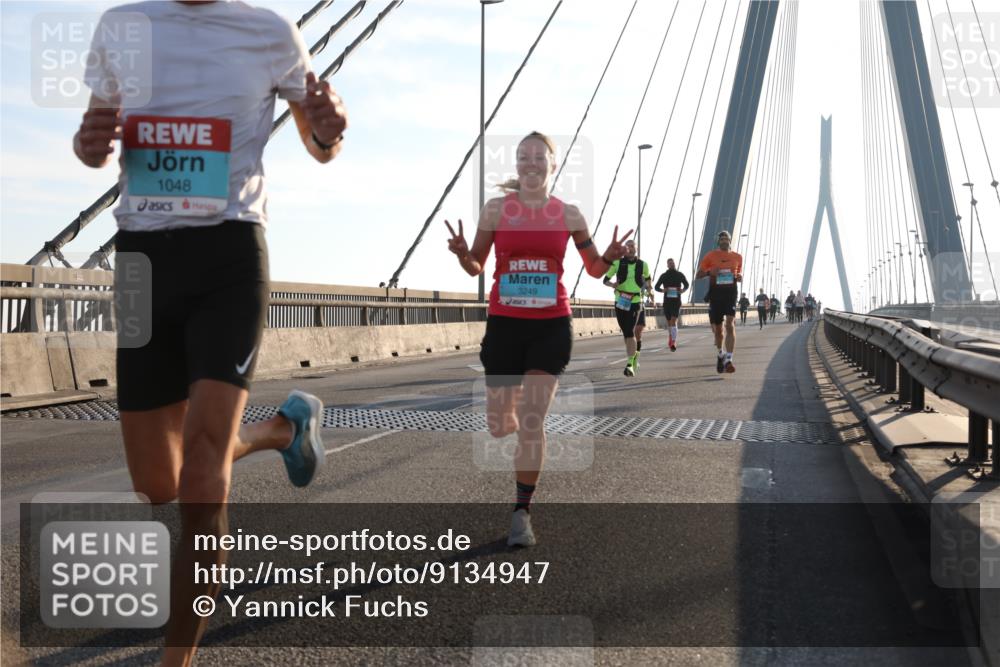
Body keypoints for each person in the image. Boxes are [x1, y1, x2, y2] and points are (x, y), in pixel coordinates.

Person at [74, 2, 348, 664]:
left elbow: (320, 142)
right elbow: (91, 145)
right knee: (158, 483)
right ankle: (279, 430)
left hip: (229, 255)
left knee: (202, 476)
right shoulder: (120, 26)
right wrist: (90, 143)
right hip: (140, 262)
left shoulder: (269, 31)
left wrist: (328, 129)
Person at [445, 131, 630, 547]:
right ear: (516, 164)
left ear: (553, 165)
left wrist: (613, 256)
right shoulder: (496, 210)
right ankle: (512, 436)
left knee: (532, 419)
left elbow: (596, 269)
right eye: (523, 157)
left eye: (539, 157)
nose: (531, 163)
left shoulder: (569, 214)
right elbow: (476, 266)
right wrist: (461, 252)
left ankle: (521, 514)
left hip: (551, 325)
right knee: (498, 426)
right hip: (505, 326)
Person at [696, 230, 743, 373]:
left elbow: (738, 273)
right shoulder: (710, 256)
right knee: (718, 331)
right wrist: (710, 273)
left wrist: (739, 277)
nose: (724, 240)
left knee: (730, 323)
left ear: (730, 241)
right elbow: (698, 275)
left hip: (730, 294)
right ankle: (720, 353)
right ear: (718, 241)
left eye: (726, 238)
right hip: (715, 295)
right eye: (721, 238)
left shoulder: (737, 257)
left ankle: (729, 358)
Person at [604, 240, 652, 376]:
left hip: (635, 300)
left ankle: (630, 364)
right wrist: (612, 285)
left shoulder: (643, 265)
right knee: (626, 332)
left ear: (636, 248)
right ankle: (634, 355)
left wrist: (649, 289)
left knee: (630, 331)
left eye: (632, 246)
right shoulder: (617, 263)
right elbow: (605, 279)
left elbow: (648, 278)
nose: (630, 248)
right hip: (620, 300)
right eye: (627, 246)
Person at [653, 257, 689, 351]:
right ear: (667, 265)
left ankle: (673, 341)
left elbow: (687, 284)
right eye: (670, 263)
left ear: (674, 264)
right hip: (667, 302)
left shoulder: (679, 275)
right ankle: (671, 337)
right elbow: (656, 287)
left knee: (673, 320)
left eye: (673, 263)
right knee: (670, 323)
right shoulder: (664, 276)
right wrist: (662, 290)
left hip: (676, 302)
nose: (671, 264)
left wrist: (683, 290)